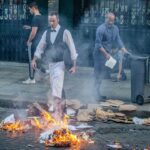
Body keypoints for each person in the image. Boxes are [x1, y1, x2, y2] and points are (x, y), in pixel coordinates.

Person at [32, 12, 78, 120]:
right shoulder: (46, 32)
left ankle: (56, 112)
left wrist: (74, 65)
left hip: (60, 64)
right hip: (50, 64)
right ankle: (63, 108)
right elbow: (40, 47)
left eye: (53, 20)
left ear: (58, 20)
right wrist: (34, 59)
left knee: (57, 86)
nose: (51, 23)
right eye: (50, 21)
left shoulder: (65, 32)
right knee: (55, 86)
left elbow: (72, 49)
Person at [93, 12, 128, 101]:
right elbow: (98, 44)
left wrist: (123, 48)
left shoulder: (115, 29)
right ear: (106, 18)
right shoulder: (100, 29)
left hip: (108, 54)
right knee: (98, 74)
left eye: (112, 20)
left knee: (113, 66)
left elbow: (118, 39)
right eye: (109, 20)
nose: (111, 22)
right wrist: (106, 54)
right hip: (99, 55)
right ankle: (95, 94)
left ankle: (119, 75)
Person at [22, 2, 47, 84]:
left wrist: (29, 41)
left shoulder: (35, 18)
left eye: (29, 9)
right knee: (38, 59)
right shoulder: (42, 17)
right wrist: (30, 27)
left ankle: (31, 78)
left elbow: (34, 32)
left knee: (31, 60)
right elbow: (39, 28)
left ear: (33, 8)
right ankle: (45, 72)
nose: (29, 11)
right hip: (42, 42)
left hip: (35, 42)